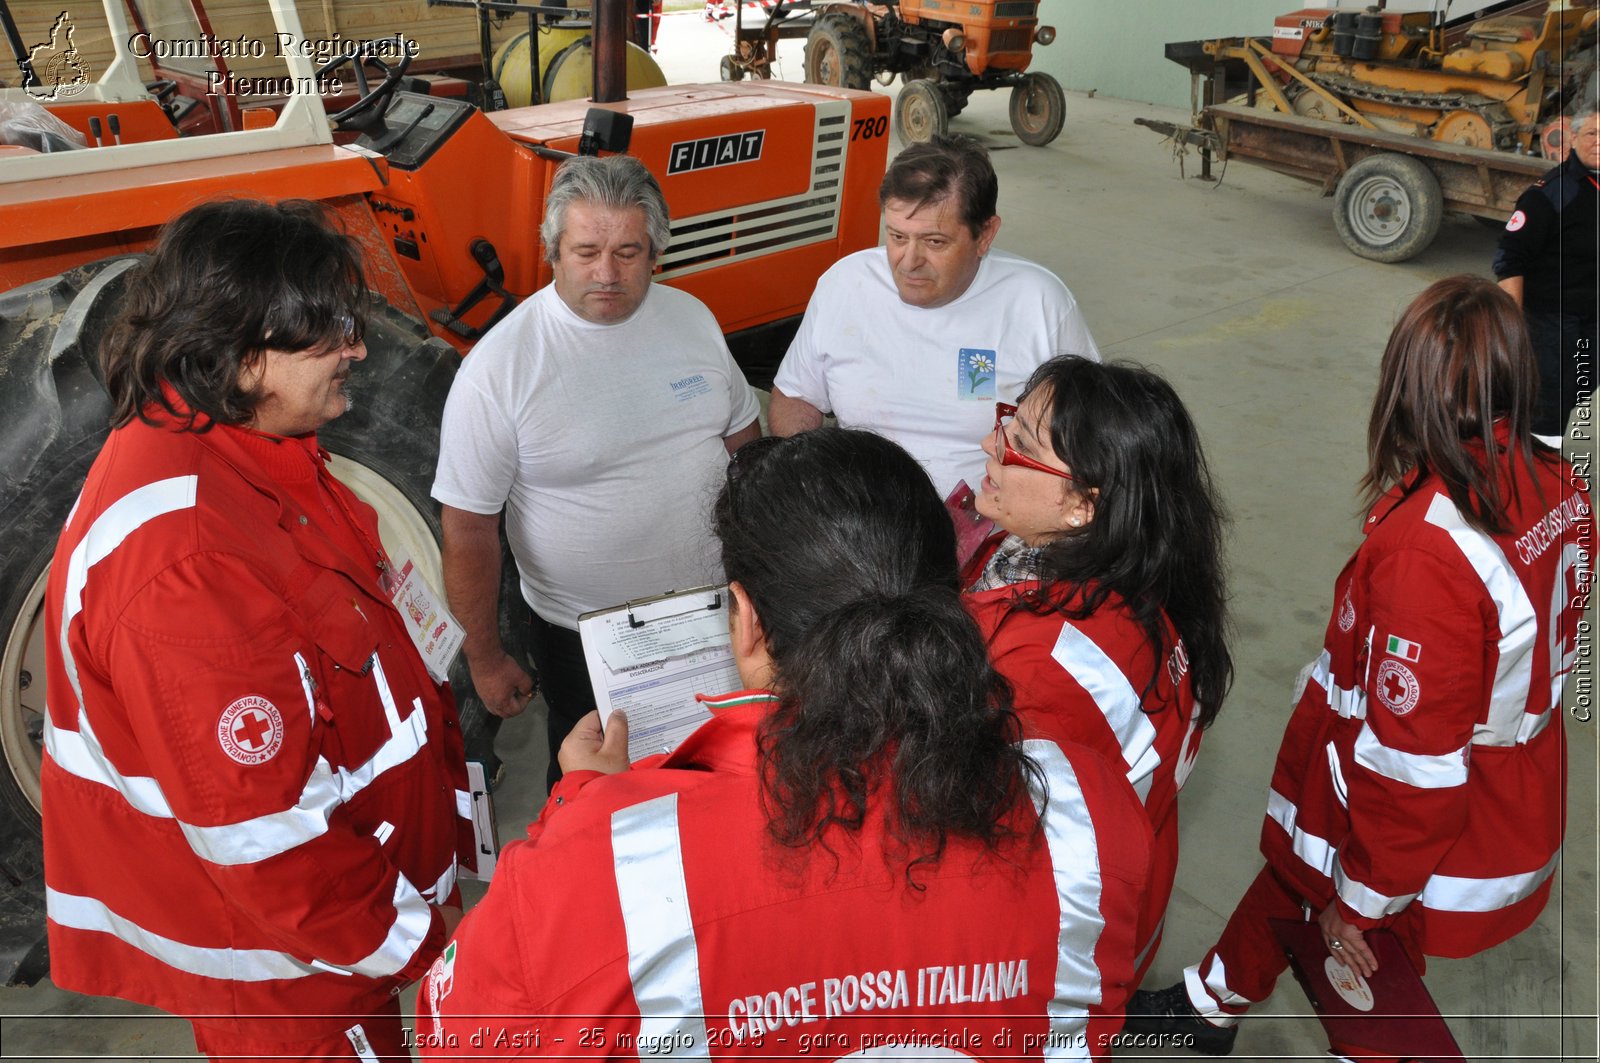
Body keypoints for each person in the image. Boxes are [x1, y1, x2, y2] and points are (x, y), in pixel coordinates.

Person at [418, 429, 1153, 1060]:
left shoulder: (602, 864)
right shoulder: (1090, 809)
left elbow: (459, 1038)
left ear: (746, 622)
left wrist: (584, 803)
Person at [41, 199, 473, 1061]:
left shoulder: (249, 448)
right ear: (239, 359)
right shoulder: (188, 564)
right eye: (327, 332)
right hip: (294, 981)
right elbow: (267, 843)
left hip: (334, 945)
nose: (356, 346)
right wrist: (434, 947)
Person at [1126, 276, 1593, 1058]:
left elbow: (1415, 772)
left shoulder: (1429, 549)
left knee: (1364, 962)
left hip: (1422, 810)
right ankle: (1211, 1004)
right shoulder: (1554, 479)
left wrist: (1366, 898)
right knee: (1298, 867)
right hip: (1492, 771)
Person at [433, 153, 761, 790]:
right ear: (551, 250)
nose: (606, 273)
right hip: (582, 637)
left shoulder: (693, 319)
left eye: (629, 253)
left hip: (711, 617)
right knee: (598, 796)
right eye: (585, 252)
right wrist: (485, 654)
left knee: (712, 775)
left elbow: (745, 449)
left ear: (657, 252)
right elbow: (468, 529)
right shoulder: (501, 367)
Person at [963, 355, 1232, 985]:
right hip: (1130, 898)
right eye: (1007, 424)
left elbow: (981, 842)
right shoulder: (1139, 578)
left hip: (1045, 959)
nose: (989, 446)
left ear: (1085, 506)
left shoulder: (1040, 672)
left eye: (1020, 445)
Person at [767, 134, 1100, 500]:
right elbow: (795, 396)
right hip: (865, 523)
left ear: (985, 234)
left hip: (991, 530)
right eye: (896, 236)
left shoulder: (1039, 302)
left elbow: (1092, 436)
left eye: (934, 242)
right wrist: (813, 477)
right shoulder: (844, 285)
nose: (908, 262)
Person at [1492, 92, 1599, 444]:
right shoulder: (1549, 194)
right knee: (1547, 402)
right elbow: (1510, 256)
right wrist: (1513, 326)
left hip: (1591, 317)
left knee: (1578, 390)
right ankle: (1539, 469)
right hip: (1550, 320)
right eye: (1591, 135)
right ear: (1573, 139)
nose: (1599, 143)